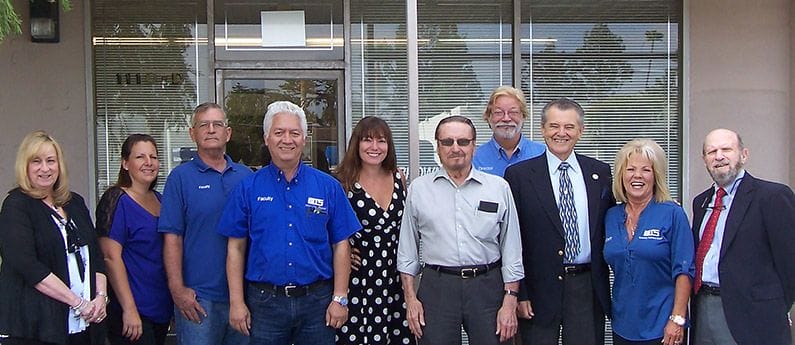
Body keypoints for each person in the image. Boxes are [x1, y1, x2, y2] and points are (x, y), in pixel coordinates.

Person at [217, 101, 361, 345]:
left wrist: (340, 298)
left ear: (304, 139)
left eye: (295, 133)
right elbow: (235, 248)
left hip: (317, 303)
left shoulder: (328, 187)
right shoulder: (248, 188)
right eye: (279, 132)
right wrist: (236, 302)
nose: (287, 139)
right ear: (266, 138)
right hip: (265, 304)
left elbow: (341, 244)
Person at [397, 115, 524, 345]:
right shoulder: (419, 189)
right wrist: (411, 299)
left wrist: (510, 300)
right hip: (437, 288)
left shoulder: (498, 189)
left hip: (487, 288)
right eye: (447, 142)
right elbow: (407, 251)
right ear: (437, 146)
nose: (455, 148)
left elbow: (512, 249)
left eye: (463, 142)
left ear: (474, 145)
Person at [504, 98, 614, 345]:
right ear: (543, 130)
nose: (561, 133)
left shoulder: (601, 173)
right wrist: (520, 292)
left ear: (580, 131)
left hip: (586, 287)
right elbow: (512, 238)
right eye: (554, 126)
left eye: (569, 127)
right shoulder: (519, 176)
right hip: (538, 289)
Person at [0, 130, 108, 344]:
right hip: (35, 327)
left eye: (51, 160)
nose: (45, 168)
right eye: (36, 162)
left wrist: (101, 297)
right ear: (25, 166)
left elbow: (95, 256)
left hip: (83, 325)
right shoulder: (16, 206)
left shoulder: (74, 203)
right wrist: (78, 303)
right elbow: (29, 267)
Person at [158, 103, 252, 345]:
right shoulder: (180, 178)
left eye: (217, 124)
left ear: (228, 133)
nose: (211, 130)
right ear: (193, 133)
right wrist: (177, 289)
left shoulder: (247, 178)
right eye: (204, 125)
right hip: (198, 299)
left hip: (244, 297)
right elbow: (172, 238)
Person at [690, 128, 795, 345]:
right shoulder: (700, 202)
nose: (718, 156)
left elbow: (789, 262)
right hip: (704, 308)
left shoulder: (771, 197)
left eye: (726, 149)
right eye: (711, 152)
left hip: (754, 316)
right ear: (705, 160)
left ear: (744, 155)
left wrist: (774, 308)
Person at [603, 139, 694, 345]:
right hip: (623, 325)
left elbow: (684, 270)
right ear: (621, 175)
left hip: (663, 326)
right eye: (631, 169)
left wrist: (677, 319)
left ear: (656, 176)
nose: (637, 176)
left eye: (646, 170)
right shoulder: (611, 216)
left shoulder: (673, 213)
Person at [333, 116, 414, 345]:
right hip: (358, 280)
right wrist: (340, 253)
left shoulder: (399, 178)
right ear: (356, 144)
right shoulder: (342, 182)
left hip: (394, 279)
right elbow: (327, 229)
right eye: (368, 140)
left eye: (381, 141)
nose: (375, 147)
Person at [95, 134, 173, 345]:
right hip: (131, 312)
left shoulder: (160, 200)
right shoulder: (116, 199)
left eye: (153, 157)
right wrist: (129, 309)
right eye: (140, 157)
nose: (149, 163)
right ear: (125, 163)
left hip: (160, 308)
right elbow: (110, 258)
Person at [473, 86, 545, 176]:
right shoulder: (474, 158)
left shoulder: (542, 154)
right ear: (489, 117)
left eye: (513, 112)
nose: (506, 118)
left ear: (523, 116)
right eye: (498, 113)